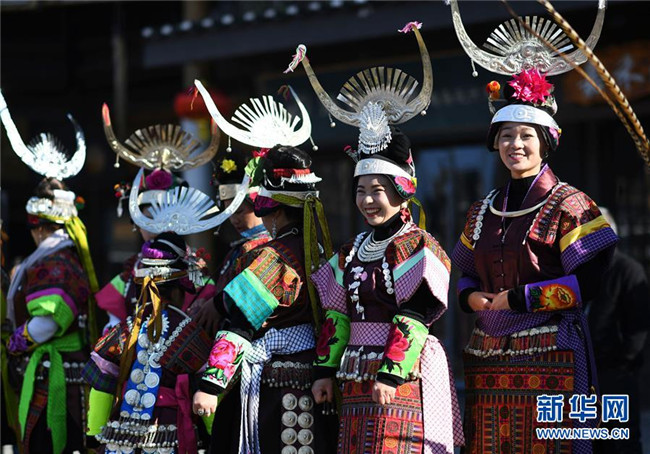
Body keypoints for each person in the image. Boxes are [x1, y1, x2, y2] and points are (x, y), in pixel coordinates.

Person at [450, 70, 618, 454]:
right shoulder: (483, 209)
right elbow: (467, 272)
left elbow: (591, 282)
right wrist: (470, 297)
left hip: (551, 348)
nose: (515, 144)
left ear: (545, 141)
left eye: (526, 135)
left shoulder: (570, 204)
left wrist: (520, 298)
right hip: (488, 354)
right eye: (506, 135)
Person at [192, 145, 338, 454]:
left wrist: (211, 384)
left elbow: (242, 321)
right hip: (312, 375)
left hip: (274, 386)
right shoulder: (319, 252)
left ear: (277, 211)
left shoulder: (274, 258)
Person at [1, 90, 99, 454]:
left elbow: (46, 323)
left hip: (55, 371)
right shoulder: (60, 256)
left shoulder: (56, 261)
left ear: (38, 224)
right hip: (50, 367)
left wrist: (14, 342)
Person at [82, 232, 214, 454]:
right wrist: (213, 435)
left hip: (122, 437)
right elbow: (208, 386)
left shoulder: (126, 329)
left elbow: (102, 384)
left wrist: (94, 433)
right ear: (178, 289)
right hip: (170, 435)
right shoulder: (189, 332)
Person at [96, 103, 220, 333]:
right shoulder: (129, 272)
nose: (155, 225)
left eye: (162, 215)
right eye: (147, 218)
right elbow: (113, 322)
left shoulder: (195, 270)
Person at [588, 208, 649, 454]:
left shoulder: (628, 270)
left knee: (622, 441)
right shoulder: (583, 272)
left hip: (615, 373)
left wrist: (623, 362)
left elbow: (638, 327)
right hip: (585, 374)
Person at [190, 150, 270, 337]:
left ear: (258, 205)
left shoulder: (267, 248)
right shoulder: (238, 248)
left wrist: (218, 305)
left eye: (239, 211)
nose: (234, 220)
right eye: (229, 213)